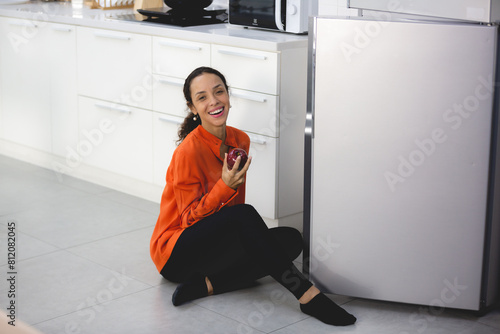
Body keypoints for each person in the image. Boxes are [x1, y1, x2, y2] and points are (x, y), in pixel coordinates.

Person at [150, 66, 356, 327]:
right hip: (176, 253)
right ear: (192, 107)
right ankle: (307, 295)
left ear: (228, 96)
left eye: (219, 92)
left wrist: (241, 226)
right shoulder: (188, 152)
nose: (213, 101)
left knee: (291, 240)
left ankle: (209, 285)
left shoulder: (240, 140)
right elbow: (188, 220)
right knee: (246, 216)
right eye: (202, 97)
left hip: (211, 246)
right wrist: (224, 187)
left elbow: (232, 214)